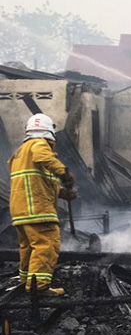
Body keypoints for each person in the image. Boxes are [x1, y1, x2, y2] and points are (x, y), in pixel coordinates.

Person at [9, 114, 76, 296]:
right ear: (49, 133)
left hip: (21, 210)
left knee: (29, 247)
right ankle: (39, 288)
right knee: (47, 243)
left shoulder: (20, 153)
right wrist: (64, 174)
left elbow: (37, 181)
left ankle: (26, 282)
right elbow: (43, 158)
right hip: (37, 209)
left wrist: (63, 193)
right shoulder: (39, 144)